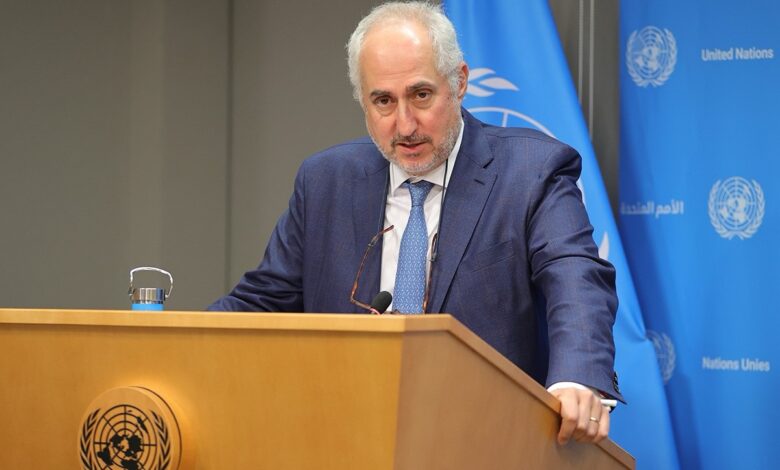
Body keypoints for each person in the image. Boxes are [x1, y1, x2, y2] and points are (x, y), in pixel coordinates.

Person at [209, 1, 622, 445]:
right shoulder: (325, 181)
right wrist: (168, 347)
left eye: (421, 95)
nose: (405, 125)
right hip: (346, 437)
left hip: (486, 439)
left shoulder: (531, 171)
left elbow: (574, 274)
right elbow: (261, 303)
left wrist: (577, 377)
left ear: (459, 82)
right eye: (383, 101)